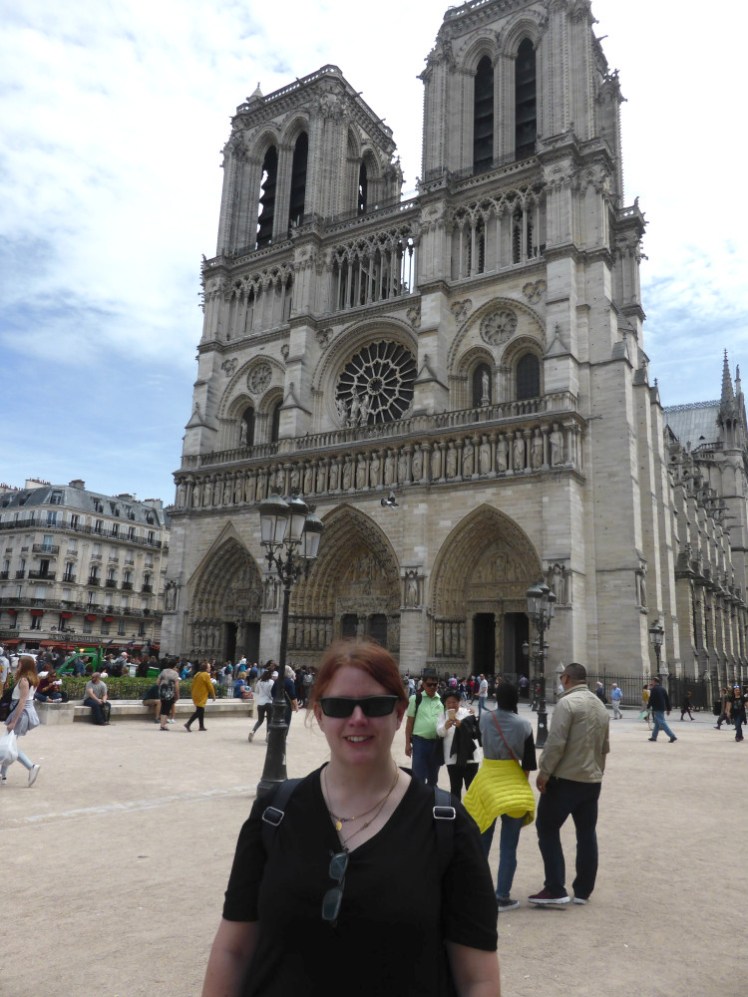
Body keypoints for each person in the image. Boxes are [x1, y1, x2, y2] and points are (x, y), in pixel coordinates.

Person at [201, 639, 501, 996]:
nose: (357, 719)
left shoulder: (448, 825)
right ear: (320, 712)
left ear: (399, 712)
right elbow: (233, 950)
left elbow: (477, 979)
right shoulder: (272, 814)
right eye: (340, 705)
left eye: (375, 704)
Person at [528, 662, 609, 906]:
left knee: (547, 828)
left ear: (566, 678)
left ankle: (555, 888)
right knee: (586, 834)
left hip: (565, 780)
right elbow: (604, 748)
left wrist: (544, 773)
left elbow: (555, 743)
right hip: (592, 781)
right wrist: (597, 774)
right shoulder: (600, 706)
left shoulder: (567, 703)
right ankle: (583, 891)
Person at [464, 681, 536, 912]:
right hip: (513, 785)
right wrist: (517, 782)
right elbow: (529, 765)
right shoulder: (524, 725)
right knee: (508, 847)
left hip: (487, 783)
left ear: (496, 697)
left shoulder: (485, 718)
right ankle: (502, 896)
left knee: (482, 842)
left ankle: (476, 893)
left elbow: (480, 740)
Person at [1, 654, 41, 786]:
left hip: (21, 712)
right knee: (9, 744)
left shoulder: (24, 680)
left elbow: (22, 702)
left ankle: (31, 766)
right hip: (23, 712)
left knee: (9, 746)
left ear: (24, 665)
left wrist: (13, 721)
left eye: (19, 663)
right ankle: (3, 775)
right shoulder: (32, 679)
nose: (17, 664)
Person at [436, 692, 481, 798]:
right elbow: (439, 733)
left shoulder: (467, 713)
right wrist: (445, 727)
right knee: (455, 788)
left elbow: (475, 732)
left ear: (459, 702)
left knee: (472, 788)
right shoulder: (442, 716)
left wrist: (462, 725)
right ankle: (457, 813)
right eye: (448, 702)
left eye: (454, 702)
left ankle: (472, 813)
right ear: (444, 703)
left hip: (470, 757)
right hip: (452, 758)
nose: (451, 705)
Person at [404, 671, 443, 785]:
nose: (432, 687)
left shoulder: (442, 701)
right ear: (423, 685)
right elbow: (409, 723)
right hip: (420, 743)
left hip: (436, 743)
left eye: (435, 684)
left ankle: (430, 801)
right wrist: (407, 744)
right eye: (429, 684)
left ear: (438, 685)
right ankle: (419, 802)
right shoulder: (415, 699)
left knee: (433, 778)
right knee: (418, 777)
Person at [185, 661, 216, 732]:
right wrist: (213, 695)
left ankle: (201, 726)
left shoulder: (198, 674)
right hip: (201, 695)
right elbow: (210, 686)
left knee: (201, 711)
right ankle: (188, 723)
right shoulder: (206, 675)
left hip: (195, 694)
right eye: (209, 667)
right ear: (206, 668)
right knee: (199, 711)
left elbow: (193, 684)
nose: (210, 668)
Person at [647, 678, 677, 743]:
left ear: (654, 681)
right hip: (662, 708)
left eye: (652, 681)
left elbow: (651, 699)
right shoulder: (663, 689)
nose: (652, 682)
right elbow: (667, 699)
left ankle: (672, 736)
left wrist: (648, 707)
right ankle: (654, 737)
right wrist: (668, 709)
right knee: (657, 723)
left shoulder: (653, 689)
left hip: (656, 708)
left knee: (662, 722)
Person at [248, 668, 274, 742]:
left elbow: (256, 691)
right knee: (269, 720)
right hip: (269, 702)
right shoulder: (271, 682)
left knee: (260, 720)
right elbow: (272, 692)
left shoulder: (259, 682)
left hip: (260, 703)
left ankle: (253, 731)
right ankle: (268, 734)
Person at [157, 661, 181, 731]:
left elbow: (157, 682)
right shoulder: (175, 673)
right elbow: (176, 686)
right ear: (174, 666)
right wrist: (177, 694)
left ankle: (162, 724)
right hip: (170, 693)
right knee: (167, 709)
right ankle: (163, 725)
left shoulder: (163, 671)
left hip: (162, 691)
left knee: (163, 707)